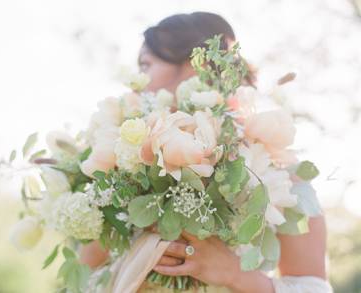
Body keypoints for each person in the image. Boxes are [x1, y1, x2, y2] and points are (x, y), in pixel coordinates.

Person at [81, 12, 332, 293]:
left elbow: (314, 287)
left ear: (192, 66)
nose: (137, 81)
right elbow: (85, 269)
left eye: (146, 64)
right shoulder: (122, 162)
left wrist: (234, 274)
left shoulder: (276, 169)